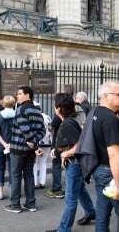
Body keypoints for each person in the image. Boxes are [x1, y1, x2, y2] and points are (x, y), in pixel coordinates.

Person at [45, 93, 95, 232]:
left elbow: (78, 145)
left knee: (70, 199)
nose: (55, 108)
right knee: (80, 190)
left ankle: (64, 229)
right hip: (75, 162)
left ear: (59, 108)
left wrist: (65, 154)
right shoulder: (69, 121)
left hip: (74, 163)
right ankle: (91, 212)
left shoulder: (67, 123)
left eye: (56, 106)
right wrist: (57, 150)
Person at [82, 81, 119, 231]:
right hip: (111, 172)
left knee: (102, 215)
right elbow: (114, 153)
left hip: (99, 169)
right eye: (117, 94)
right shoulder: (110, 118)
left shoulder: (95, 112)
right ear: (105, 96)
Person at [4, 86, 45, 213]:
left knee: (16, 175)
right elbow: (42, 130)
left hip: (18, 149)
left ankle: (15, 205)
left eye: (20, 93)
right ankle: (30, 203)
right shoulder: (37, 111)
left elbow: (25, 129)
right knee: (29, 175)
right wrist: (34, 143)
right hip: (30, 151)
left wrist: (31, 142)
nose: (18, 96)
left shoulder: (21, 109)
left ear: (28, 95)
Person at [0, 95, 15, 200]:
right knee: (12, 168)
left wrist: (4, 144)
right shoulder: (17, 115)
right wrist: (9, 144)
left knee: (0, 167)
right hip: (13, 144)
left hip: (0, 145)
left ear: (3, 104)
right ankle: (11, 192)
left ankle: (0, 192)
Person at [45, 114, 65, 198]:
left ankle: (56, 188)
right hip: (66, 143)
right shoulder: (71, 115)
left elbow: (51, 127)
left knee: (56, 165)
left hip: (58, 143)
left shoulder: (58, 115)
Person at [33, 103, 52, 189]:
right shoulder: (47, 117)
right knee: (43, 161)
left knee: (35, 162)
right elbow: (51, 129)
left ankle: (35, 182)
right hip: (47, 142)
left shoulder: (34, 117)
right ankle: (42, 182)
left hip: (37, 142)